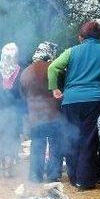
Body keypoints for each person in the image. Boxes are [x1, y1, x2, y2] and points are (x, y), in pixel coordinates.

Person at [48, 21, 100, 190]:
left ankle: (73, 178)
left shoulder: (71, 51)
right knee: (89, 139)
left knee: (72, 138)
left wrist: (55, 89)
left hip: (71, 101)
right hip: (97, 100)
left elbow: (53, 67)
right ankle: (85, 181)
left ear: (81, 37)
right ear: (99, 36)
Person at [20, 42, 62, 183]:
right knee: (55, 143)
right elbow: (60, 90)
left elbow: (23, 96)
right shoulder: (53, 68)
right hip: (53, 113)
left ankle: (35, 176)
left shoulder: (25, 72)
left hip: (35, 116)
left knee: (37, 144)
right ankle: (53, 175)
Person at [0, 42, 24, 178]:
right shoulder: (19, 71)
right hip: (13, 112)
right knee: (11, 138)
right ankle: (7, 169)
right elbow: (21, 95)